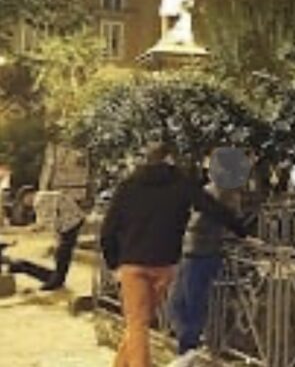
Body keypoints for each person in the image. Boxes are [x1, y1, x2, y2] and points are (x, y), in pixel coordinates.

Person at [100, 142, 248, 367]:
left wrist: (113, 263)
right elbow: (212, 208)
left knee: (137, 323)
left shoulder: (128, 185)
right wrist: (241, 230)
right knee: (140, 322)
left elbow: (108, 230)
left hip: (132, 263)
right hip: (165, 264)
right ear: (169, 159)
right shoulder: (181, 183)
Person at [167, 148, 247, 361]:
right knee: (177, 303)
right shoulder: (208, 190)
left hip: (203, 252)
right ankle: (188, 348)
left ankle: (189, 350)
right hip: (190, 251)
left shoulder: (226, 194)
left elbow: (223, 222)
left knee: (192, 304)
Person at [8, 189, 85, 290]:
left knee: (62, 253)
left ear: (28, 195)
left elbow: (46, 223)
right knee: (62, 252)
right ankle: (55, 277)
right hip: (72, 220)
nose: (25, 204)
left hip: (70, 222)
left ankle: (57, 280)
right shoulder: (44, 196)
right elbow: (49, 219)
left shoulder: (39, 200)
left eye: (23, 201)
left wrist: (30, 229)